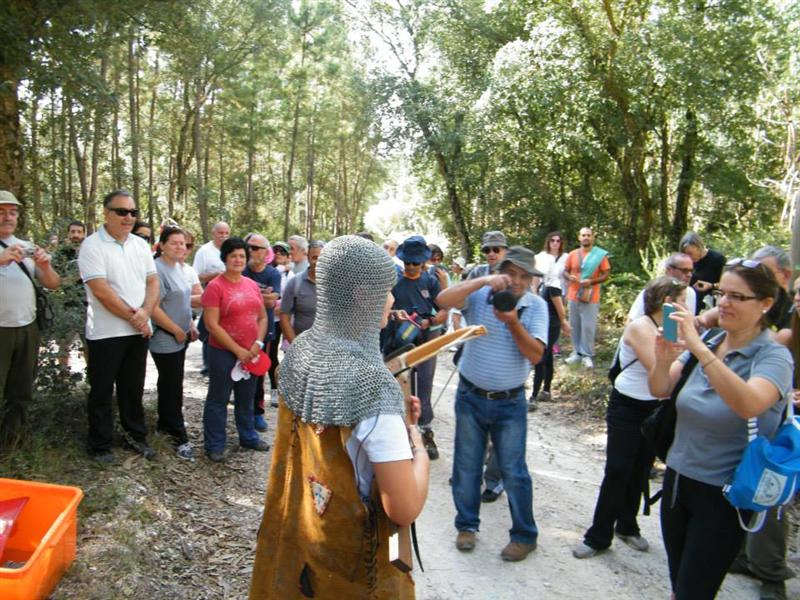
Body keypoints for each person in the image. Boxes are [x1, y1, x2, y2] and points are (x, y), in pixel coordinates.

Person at [249, 235, 430, 598]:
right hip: (354, 567)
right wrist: (417, 444)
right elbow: (403, 509)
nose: (392, 299)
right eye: (387, 290)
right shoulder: (370, 385)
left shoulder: (302, 350)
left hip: (304, 540)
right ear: (364, 294)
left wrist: (395, 418)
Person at [648, 258, 792, 599]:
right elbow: (660, 388)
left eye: (737, 297)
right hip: (679, 481)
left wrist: (697, 347)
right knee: (679, 580)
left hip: (725, 495)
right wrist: (664, 357)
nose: (724, 303)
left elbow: (748, 404)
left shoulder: (774, 357)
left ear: (766, 304)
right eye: (722, 294)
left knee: (694, 590)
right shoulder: (712, 340)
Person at [437, 246, 547, 562]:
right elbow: (443, 302)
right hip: (470, 396)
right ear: (501, 271)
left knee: (514, 471)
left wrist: (512, 322)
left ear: (530, 280)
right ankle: (466, 527)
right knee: (467, 465)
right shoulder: (482, 295)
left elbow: (536, 356)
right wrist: (482, 281)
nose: (515, 281)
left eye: (523, 276)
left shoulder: (535, 308)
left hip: (510, 402)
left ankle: (525, 536)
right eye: (510, 273)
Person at [573, 277, 687, 560]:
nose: (688, 306)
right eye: (682, 300)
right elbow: (661, 369)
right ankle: (598, 535)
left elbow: (676, 364)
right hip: (627, 407)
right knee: (618, 469)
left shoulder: (670, 327)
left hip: (654, 407)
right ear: (667, 301)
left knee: (639, 468)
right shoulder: (640, 327)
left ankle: (627, 525)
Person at [78, 190, 159, 463]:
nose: (128, 218)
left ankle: (135, 436)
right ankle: (99, 444)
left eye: (133, 213)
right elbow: (101, 291)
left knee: (132, 387)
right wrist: (135, 316)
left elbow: (153, 282)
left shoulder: (139, 244)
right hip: (106, 333)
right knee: (102, 390)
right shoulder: (92, 246)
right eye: (122, 212)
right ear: (106, 213)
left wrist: (146, 312)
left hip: (137, 331)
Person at [0, 190, 60, 450]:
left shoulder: (26, 246)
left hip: (27, 328)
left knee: (21, 392)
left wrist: (45, 266)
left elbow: (53, 283)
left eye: (12, 212)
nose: (7, 217)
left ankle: (11, 448)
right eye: (1, 212)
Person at [201, 237, 269, 462]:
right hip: (222, 352)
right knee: (218, 399)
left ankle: (248, 437)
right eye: (233, 256)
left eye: (242, 256)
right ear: (225, 258)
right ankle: (215, 444)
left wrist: (256, 345)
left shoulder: (251, 285)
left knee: (246, 397)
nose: (238, 260)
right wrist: (238, 351)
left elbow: (262, 317)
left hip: (251, 352)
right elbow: (212, 324)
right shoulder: (215, 287)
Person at [390, 235, 447, 459]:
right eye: (408, 263)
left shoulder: (431, 281)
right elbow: (383, 309)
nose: (411, 267)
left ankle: (425, 432)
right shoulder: (393, 280)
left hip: (424, 339)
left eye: (416, 263)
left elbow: (443, 310)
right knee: (399, 387)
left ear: (423, 262)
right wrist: (396, 316)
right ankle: (399, 436)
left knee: (423, 386)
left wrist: (430, 321)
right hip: (397, 342)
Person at [149, 227, 196, 460]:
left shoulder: (179, 268)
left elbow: (185, 301)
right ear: (162, 245)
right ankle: (180, 438)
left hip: (182, 336)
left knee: (171, 383)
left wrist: (191, 325)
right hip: (165, 337)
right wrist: (176, 329)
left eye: (183, 243)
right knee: (172, 386)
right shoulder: (157, 270)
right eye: (174, 243)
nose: (180, 247)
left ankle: (164, 425)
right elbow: (153, 308)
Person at [243, 234, 281, 432]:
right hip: (239, 330)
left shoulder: (273, 273)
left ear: (266, 253)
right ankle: (243, 413)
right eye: (248, 246)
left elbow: (272, 301)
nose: (251, 251)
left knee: (257, 373)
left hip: (262, 330)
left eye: (256, 248)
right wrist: (262, 294)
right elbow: (266, 298)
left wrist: (247, 293)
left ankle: (257, 413)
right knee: (240, 373)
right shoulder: (240, 269)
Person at [530, 231, 571, 410]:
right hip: (546, 321)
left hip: (551, 322)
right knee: (546, 358)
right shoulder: (543, 286)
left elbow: (559, 307)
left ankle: (533, 395)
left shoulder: (553, 286)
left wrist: (564, 321)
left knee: (542, 356)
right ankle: (546, 390)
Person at [564, 227, 611, 368]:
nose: (586, 237)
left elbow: (606, 274)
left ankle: (587, 355)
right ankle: (576, 353)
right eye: (583, 235)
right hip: (573, 294)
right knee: (574, 324)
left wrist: (591, 281)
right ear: (579, 237)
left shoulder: (600, 255)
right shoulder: (572, 254)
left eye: (588, 235)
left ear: (593, 238)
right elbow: (565, 271)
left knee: (588, 326)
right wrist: (569, 277)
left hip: (591, 295)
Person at [193, 221, 230, 375]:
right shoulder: (204, 251)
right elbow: (196, 276)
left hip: (229, 298)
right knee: (209, 329)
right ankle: (209, 365)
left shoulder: (231, 249)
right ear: (214, 233)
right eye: (220, 233)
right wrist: (217, 274)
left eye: (226, 233)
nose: (223, 236)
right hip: (211, 295)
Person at [628, 253, 697, 320]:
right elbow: (632, 322)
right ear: (669, 270)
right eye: (684, 271)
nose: (689, 275)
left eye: (691, 271)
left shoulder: (691, 293)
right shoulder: (654, 291)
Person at [279, 240, 324, 343]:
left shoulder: (336, 285)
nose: (318, 262)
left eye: (322, 258)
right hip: (302, 347)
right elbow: (284, 316)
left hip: (329, 349)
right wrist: (295, 345)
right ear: (308, 258)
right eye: (314, 258)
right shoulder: (295, 283)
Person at [267, 241, 293, 400]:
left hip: (287, 319)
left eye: (282, 252)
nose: (278, 254)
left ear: (288, 256)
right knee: (270, 355)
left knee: (289, 354)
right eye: (275, 251)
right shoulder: (269, 272)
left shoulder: (292, 275)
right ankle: (274, 390)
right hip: (272, 320)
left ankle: (289, 390)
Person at [679, 231, 726, 314]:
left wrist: (711, 286)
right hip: (689, 304)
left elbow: (725, 284)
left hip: (710, 307)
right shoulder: (685, 262)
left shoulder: (717, 259)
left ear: (698, 247)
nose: (689, 257)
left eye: (690, 253)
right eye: (685, 254)